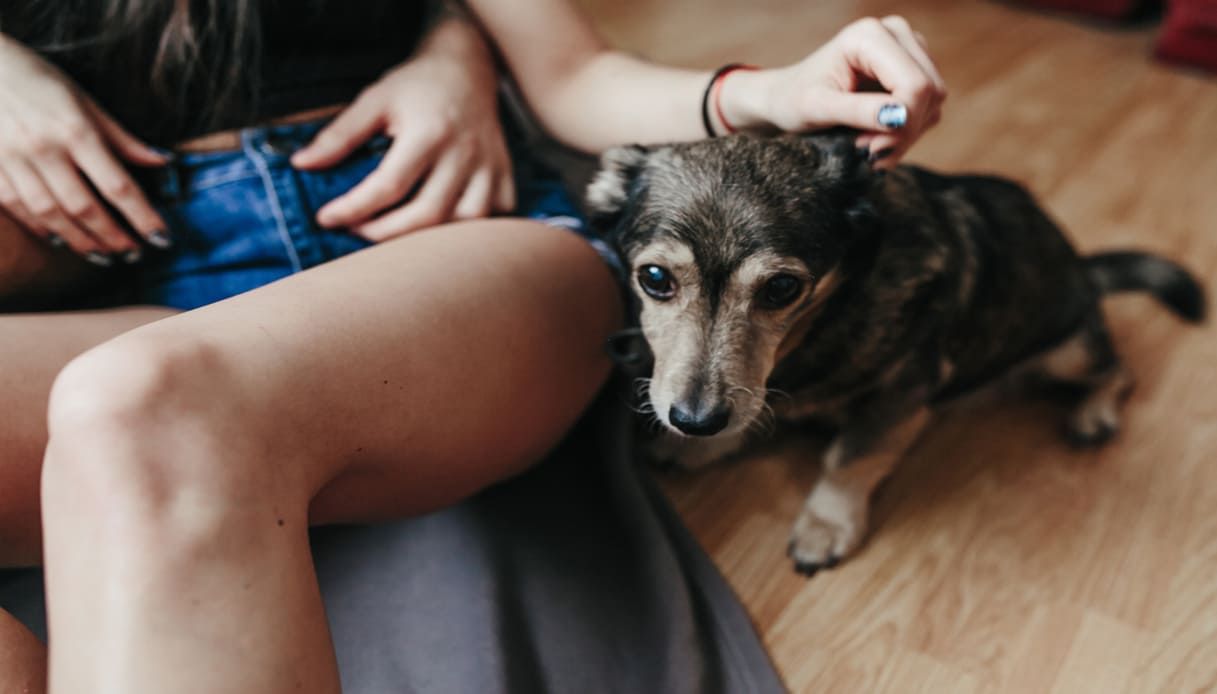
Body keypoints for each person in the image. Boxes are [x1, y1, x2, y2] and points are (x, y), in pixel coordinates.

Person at [0, 1, 946, 691]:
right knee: (133, 393)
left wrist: (777, 90)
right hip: (127, 261)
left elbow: (575, 76)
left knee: (141, 401)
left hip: (444, 236)